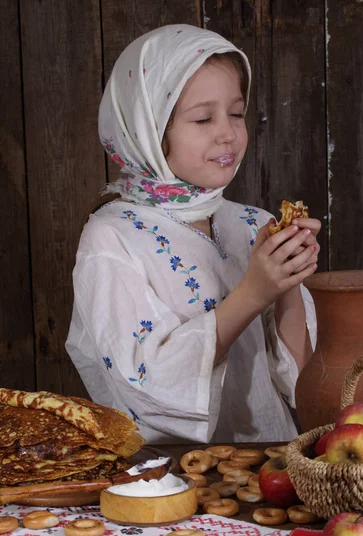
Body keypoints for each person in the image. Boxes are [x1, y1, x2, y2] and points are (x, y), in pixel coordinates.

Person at [66, 24, 320, 445]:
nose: (228, 132)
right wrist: (254, 293)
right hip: (168, 482)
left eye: (236, 113)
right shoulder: (111, 239)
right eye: (203, 117)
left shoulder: (252, 224)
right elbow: (149, 390)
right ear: (146, 130)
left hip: (272, 467)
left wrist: (287, 281)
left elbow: (303, 384)